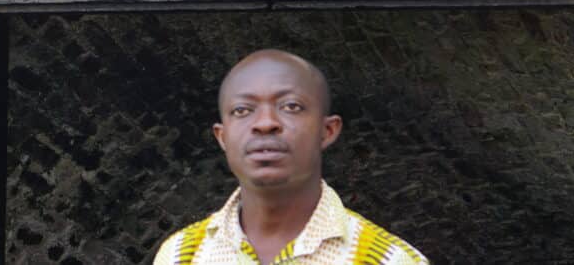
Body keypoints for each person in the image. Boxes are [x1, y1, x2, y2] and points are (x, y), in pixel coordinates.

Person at [154, 49, 428, 264]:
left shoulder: (388, 259)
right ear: (222, 137)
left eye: (291, 106)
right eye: (242, 110)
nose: (265, 123)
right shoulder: (181, 255)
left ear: (327, 130)